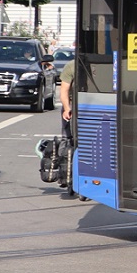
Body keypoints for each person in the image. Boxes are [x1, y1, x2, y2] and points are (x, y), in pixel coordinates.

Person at [55, 50, 80, 200]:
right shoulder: (71, 66)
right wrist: (67, 108)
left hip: (88, 109)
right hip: (73, 109)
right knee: (68, 139)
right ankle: (66, 175)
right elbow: (64, 90)